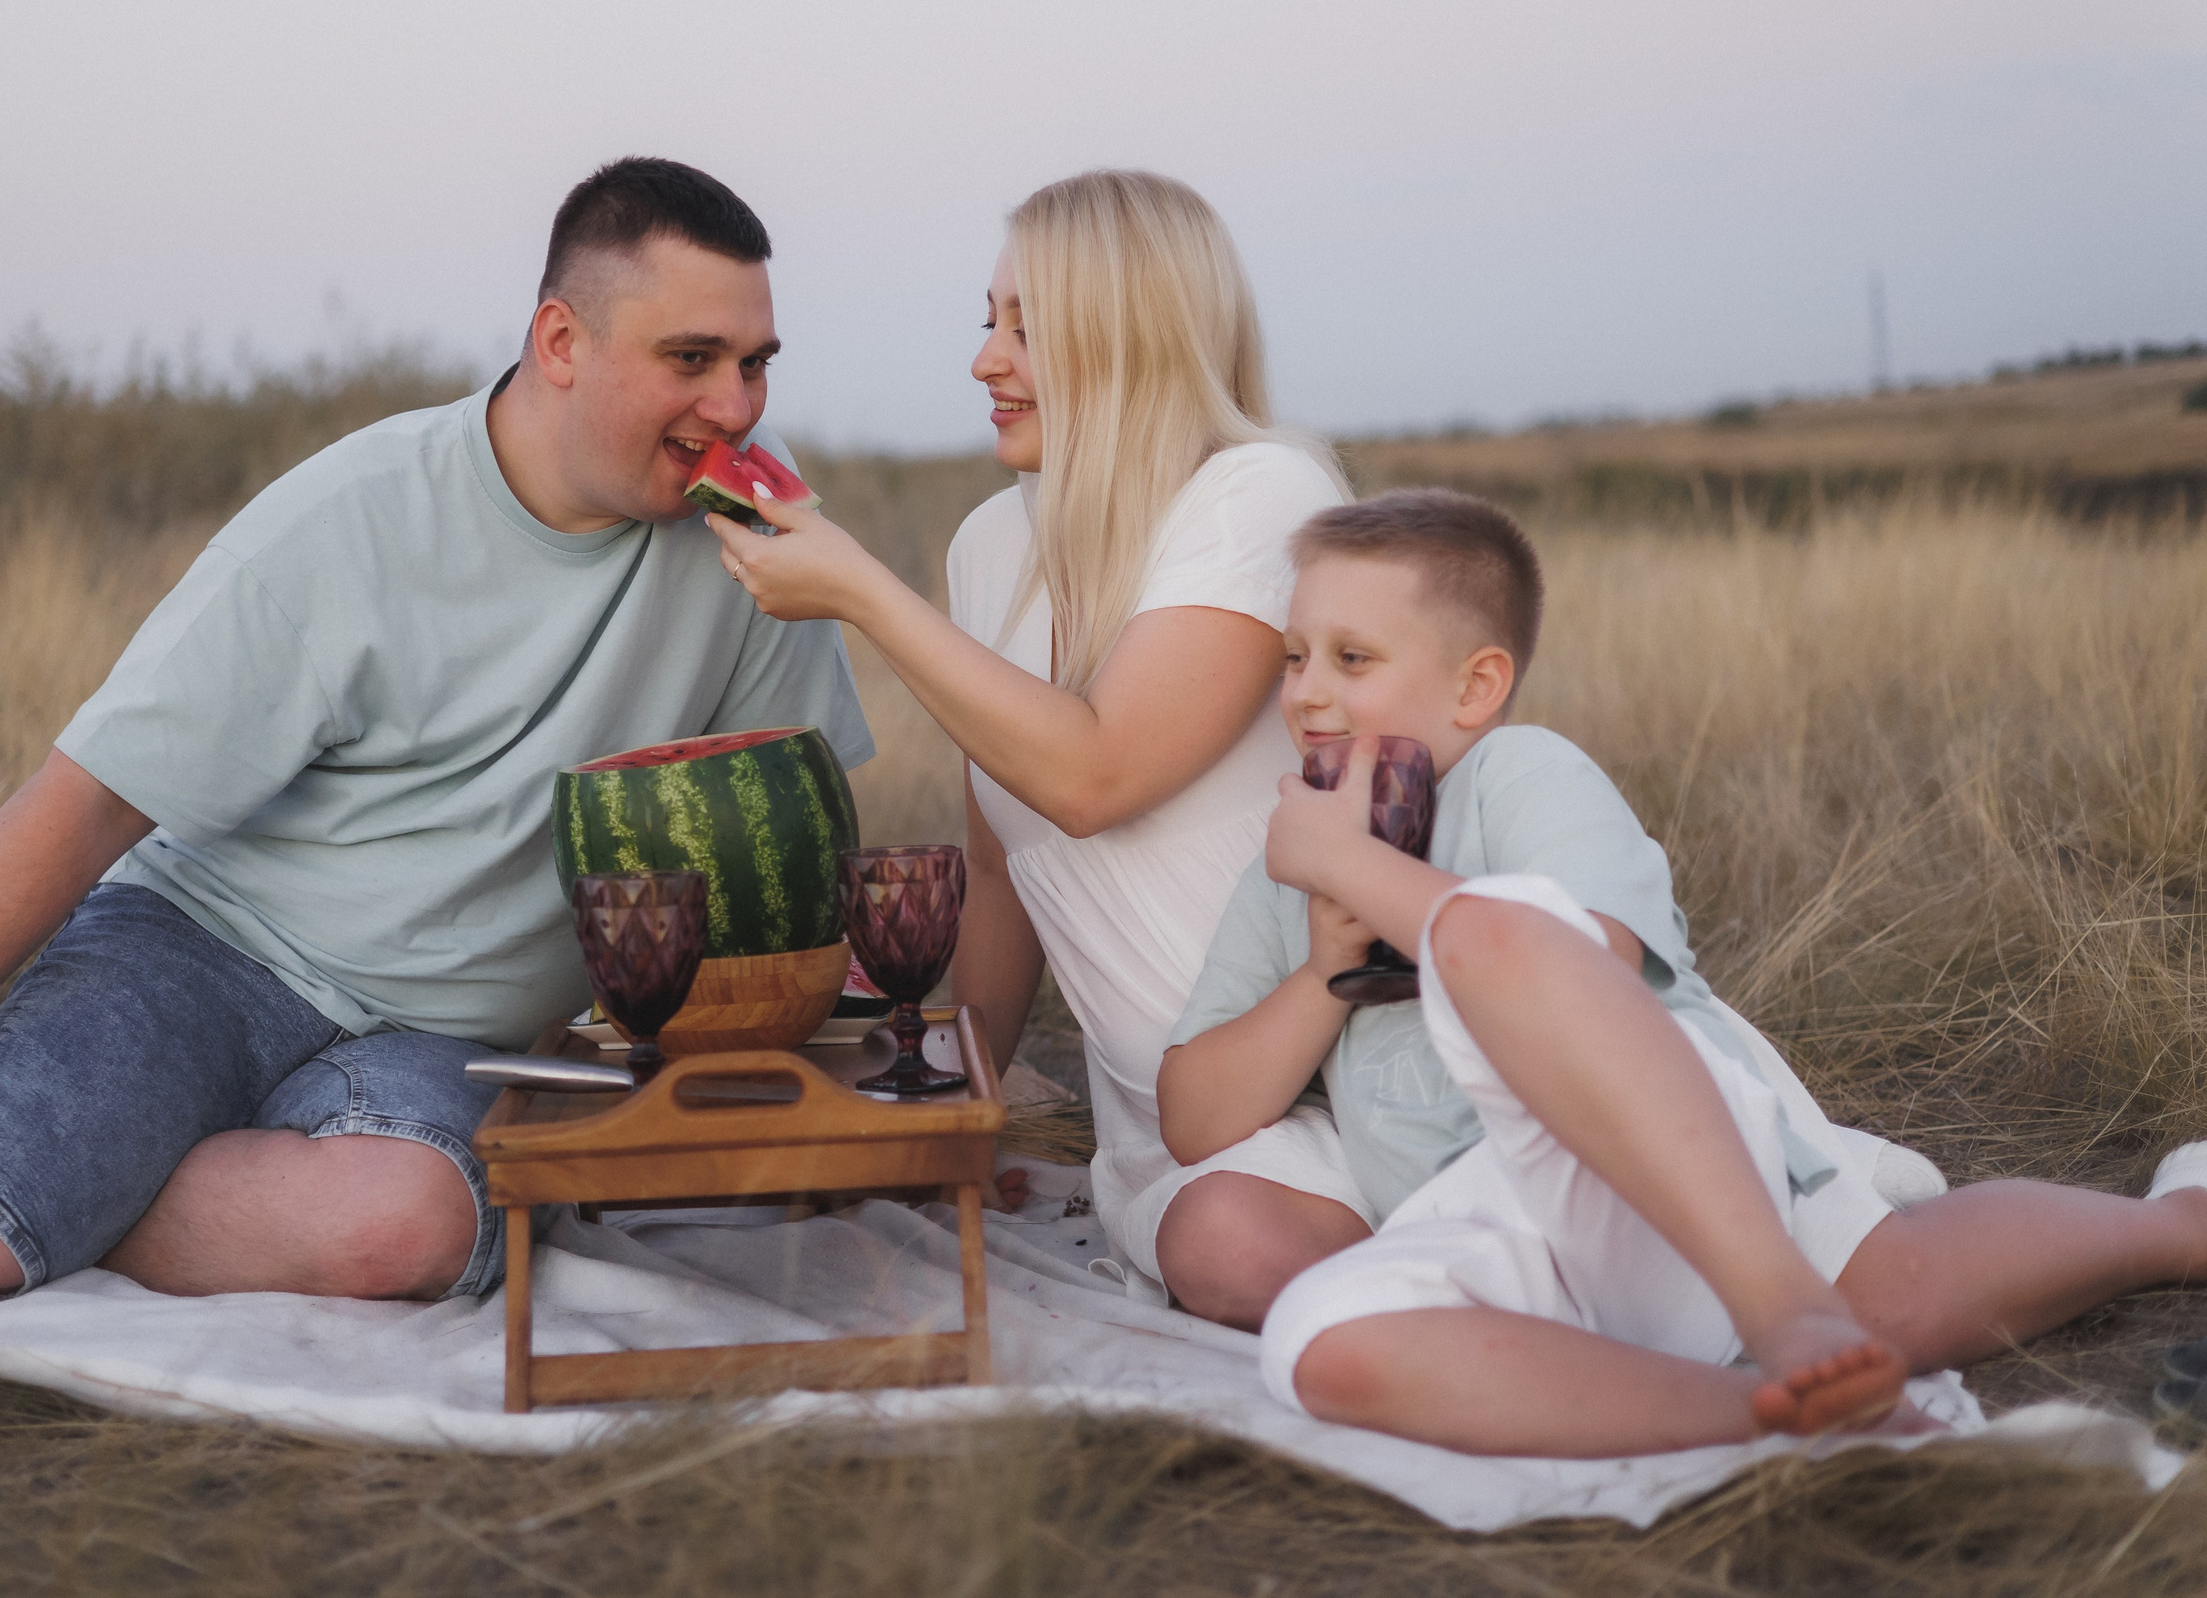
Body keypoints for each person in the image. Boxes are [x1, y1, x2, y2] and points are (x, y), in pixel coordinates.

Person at [0, 157, 872, 1301]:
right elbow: (94, 798)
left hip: (447, 1037)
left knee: (405, 1230)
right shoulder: (345, 520)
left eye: (754, 364)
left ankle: (77, 1172)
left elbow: (771, 836)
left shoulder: (757, 533)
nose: (736, 407)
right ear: (562, 342)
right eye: (691, 360)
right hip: (213, 949)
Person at [1157, 488, 2207, 1455]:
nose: (1307, 693)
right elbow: (1195, 1119)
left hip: (1658, 1167)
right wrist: (1322, 965)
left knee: (1898, 1295)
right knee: (1318, 1339)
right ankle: (1769, 1412)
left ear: (1477, 686)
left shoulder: (1516, 774)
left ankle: (2162, 1229)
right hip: (1486, 1220)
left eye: (1351, 658)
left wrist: (1354, 865)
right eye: (1294, 658)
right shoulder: (1284, 870)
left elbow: (1583, 960)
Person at [708, 169, 1359, 1283]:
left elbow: (1093, 776)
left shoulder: (1258, 495)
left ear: (1132, 340)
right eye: (988, 321)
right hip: (1168, 1141)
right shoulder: (988, 547)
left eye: (1028, 328)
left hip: (1335, 1085)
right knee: (1217, 1237)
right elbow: (1001, 870)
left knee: (1237, 1243)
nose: (985, 361)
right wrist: (959, 1119)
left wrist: (863, 593)